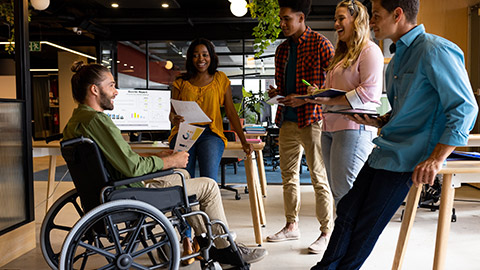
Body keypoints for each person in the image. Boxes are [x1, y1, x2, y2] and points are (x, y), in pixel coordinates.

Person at [311, 0, 478, 269]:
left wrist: (436, 159)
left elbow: (465, 109)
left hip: (409, 157)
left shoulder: (435, 50)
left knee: (366, 224)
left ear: (398, 14)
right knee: (346, 211)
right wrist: (380, 120)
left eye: (376, 15)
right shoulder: (398, 57)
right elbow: (408, 111)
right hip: (385, 150)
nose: (372, 21)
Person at [63, 61, 267, 268]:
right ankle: (225, 250)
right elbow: (132, 167)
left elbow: (115, 157)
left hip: (108, 189)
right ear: (95, 90)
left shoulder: (77, 121)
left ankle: (206, 241)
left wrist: (156, 154)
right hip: (126, 192)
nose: (116, 92)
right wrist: (169, 160)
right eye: (112, 85)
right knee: (209, 186)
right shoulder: (98, 121)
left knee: (183, 176)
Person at [168, 38, 254, 263]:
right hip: (184, 133)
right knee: (182, 184)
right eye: (196, 55)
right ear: (190, 58)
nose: (200, 59)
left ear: (211, 57)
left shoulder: (220, 79)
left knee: (207, 185)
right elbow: (172, 114)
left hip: (210, 134)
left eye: (205, 54)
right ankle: (187, 238)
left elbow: (231, 113)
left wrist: (243, 139)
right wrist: (175, 117)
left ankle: (208, 238)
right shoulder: (180, 82)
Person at [266, 0, 335, 255]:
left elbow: (332, 87)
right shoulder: (282, 50)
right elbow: (285, 88)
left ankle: (327, 232)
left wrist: (304, 98)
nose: (282, 24)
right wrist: (279, 93)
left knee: (318, 177)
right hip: (287, 119)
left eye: (286, 19)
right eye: (281, 20)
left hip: (313, 118)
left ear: (301, 17)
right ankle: (291, 225)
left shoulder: (321, 44)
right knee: (288, 178)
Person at [304, 0, 384, 205]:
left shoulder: (369, 51)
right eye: (335, 19)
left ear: (356, 21)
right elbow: (339, 90)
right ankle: (345, 235)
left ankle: (352, 236)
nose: (336, 24)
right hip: (330, 126)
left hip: (353, 127)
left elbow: (368, 92)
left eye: (341, 19)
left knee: (346, 189)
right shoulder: (341, 55)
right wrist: (319, 93)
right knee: (337, 190)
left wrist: (331, 98)